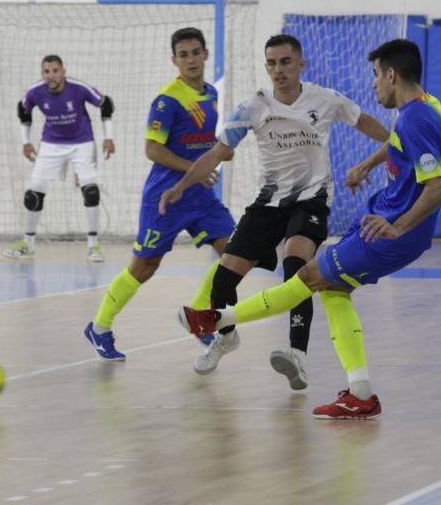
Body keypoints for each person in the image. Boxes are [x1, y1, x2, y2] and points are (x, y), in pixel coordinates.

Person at [175, 38, 441, 419]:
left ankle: (219, 320)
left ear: (391, 74)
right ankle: (360, 392)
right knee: (335, 291)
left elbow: (437, 185)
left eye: (375, 76)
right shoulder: (429, 107)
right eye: (270, 62)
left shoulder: (410, 117)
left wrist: (397, 225)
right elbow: (404, 146)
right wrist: (369, 166)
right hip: (344, 216)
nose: (373, 85)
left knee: (307, 275)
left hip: (380, 228)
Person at [159, 34, 390, 387]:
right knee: (224, 278)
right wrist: (181, 185)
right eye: (271, 63)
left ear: (301, 65)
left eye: (285, 62)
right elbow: (217, 154)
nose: (278, 70)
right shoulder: (253, 107)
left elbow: (368, 124)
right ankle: (226, 337)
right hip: (268, 203)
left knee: (297, 266)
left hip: (312, 198)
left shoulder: (325, 100)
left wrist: (390, 149)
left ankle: (297, 355)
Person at [83, 27, 235, 361]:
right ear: (174, 60)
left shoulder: (209, 93)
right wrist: (192, 169)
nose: (191, 59)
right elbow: (152, 150)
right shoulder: (167, 100)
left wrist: (218, 153)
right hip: (166, 195)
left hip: (200, 193)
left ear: (206, 54)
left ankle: (197, 313)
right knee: (144, 267)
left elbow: (201, 141)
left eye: (196, 52)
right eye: (184, 54)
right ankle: (100, 326)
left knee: (236, 252)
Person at [4, 55, 115, 263]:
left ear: (63, 71)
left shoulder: (78, 88)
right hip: (51, 143)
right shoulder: (35, 91)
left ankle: (93, 246)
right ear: (42, 74)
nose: (51, 76)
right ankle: (27, 244)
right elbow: (24, 111)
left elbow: (106, 104)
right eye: (46, 72)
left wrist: (108, 137)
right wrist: (25, 141)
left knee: (90, 190)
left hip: (81, 142)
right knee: (33, 194)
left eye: (55, 71)